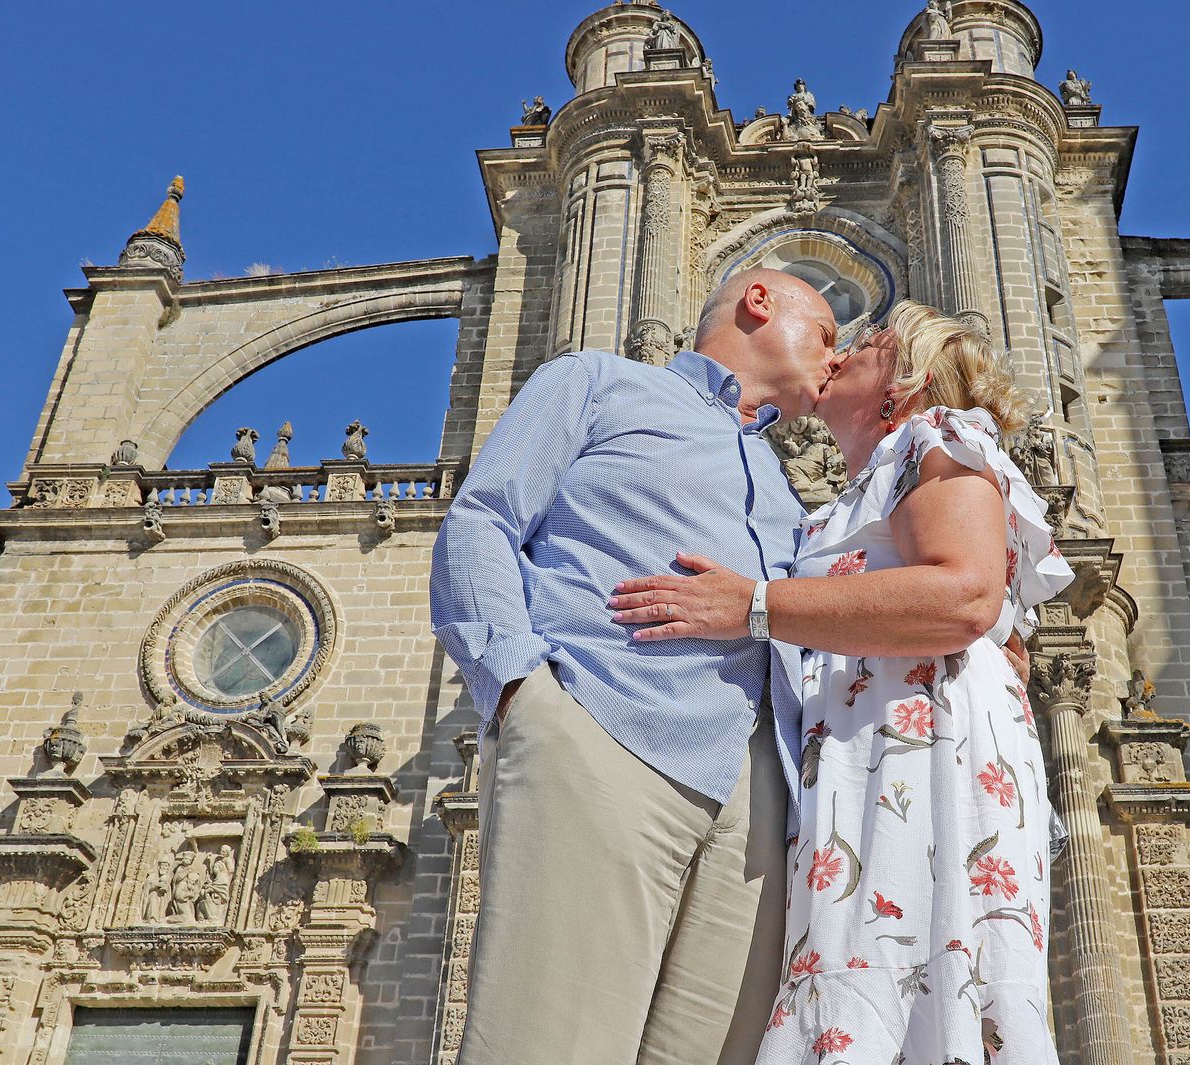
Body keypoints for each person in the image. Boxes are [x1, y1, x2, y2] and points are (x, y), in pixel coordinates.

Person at [611, 300, 1074, 1064]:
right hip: (870, 761)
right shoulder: (867, 487)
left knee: (916, 974)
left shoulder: (936, 436)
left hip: (922, 759)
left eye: (866, 344)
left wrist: (753, 605)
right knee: (865, 981)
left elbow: (964, 595)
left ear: (903, 379)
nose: (840, 355)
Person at [430, 269, 835, 1065]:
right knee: (549, 1044)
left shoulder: (789, 492)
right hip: (604, 733)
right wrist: (523, 694)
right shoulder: (596, 382)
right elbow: (482, 519)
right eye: (825, 332)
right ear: (760, 300)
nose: (836, 356)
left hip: (757, 803)